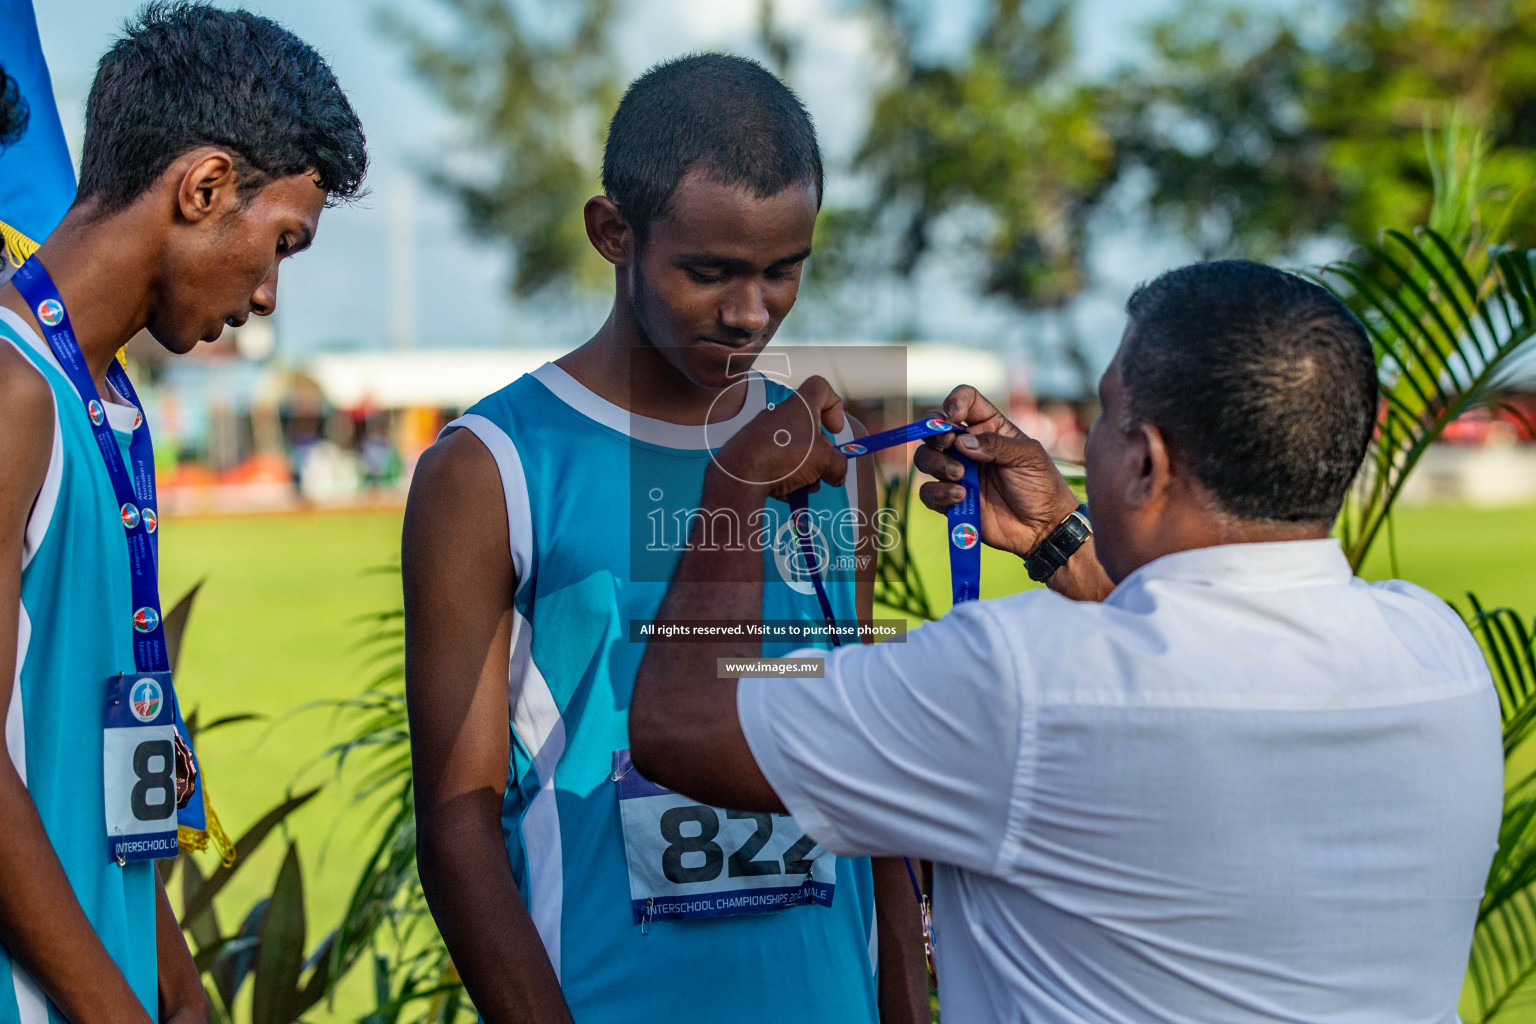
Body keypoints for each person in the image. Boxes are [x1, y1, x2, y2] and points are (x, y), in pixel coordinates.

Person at [628, 259, 1505, 1023]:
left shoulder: (1020, 681)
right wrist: (1061, 540)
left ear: (1147, 462)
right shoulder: (1440, 653)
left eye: (1105, 415)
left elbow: (681, 726)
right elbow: (1199, 654)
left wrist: (735, 485)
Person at [403, 53, 927, 1024]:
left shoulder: (832, 454)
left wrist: (902, 1001)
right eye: (710, 272)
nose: (750, 311)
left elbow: (866, 769)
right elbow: (456, 820)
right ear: (615, 233)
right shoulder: (493, 468)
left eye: (784, 271)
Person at [0, 4, 366, 1021]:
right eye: (280, 242)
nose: (269, 294)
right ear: (204, 187)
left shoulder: (111, 408)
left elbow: (111, 761)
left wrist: (182, 995)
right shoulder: (12, 389)